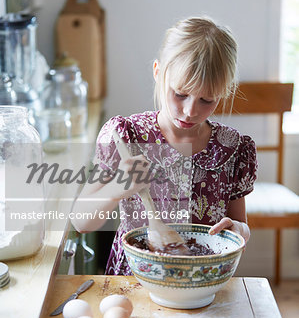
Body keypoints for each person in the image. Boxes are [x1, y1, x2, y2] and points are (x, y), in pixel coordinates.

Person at [72, 16, 257, 275]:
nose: (190, 110)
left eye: (207, 100)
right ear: (158, 72)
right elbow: (81, 222)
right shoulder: (126, 136)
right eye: (180, 94)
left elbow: (240, 225)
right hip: (135, 281)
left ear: (224, 92)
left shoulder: (232, 149)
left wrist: (239, 232)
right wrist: (116, 188)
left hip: (202, 280)